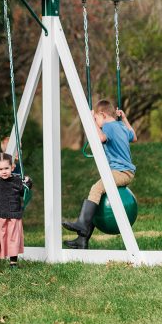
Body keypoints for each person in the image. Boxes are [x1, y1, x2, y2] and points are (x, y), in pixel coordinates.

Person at [62, 99, 136, 249]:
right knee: (98, 196)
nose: (96, 122)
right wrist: (124, 118)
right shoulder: (121, 125)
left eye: (96, 118)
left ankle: (82, 224)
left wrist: (91, 122)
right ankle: (82, 240)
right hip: (126, 172)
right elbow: (133, 137)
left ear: (102, 114)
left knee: (96, 189)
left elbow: (101, 138)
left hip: (121, 172)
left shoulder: (108, 126)